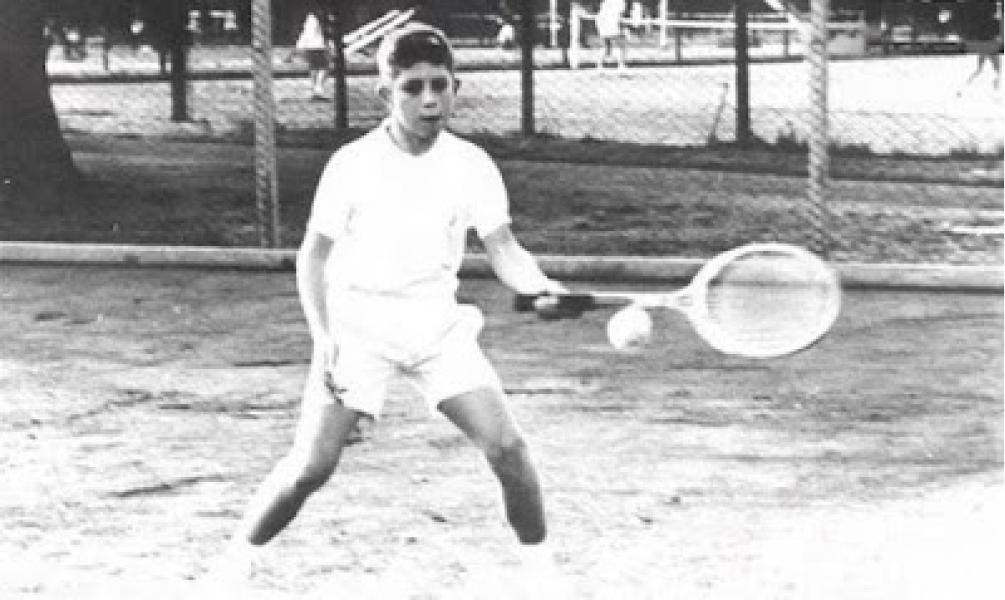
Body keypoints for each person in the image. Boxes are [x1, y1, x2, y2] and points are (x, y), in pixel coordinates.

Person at [206, 22, 570, 596]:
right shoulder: (353, 164)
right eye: (413, 87)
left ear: (455, 87)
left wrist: (538, 285)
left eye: (440, 85)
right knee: (310, 468)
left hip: (436, 326)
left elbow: (503, 247)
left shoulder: (472, 164)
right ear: (386, 94)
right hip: (357, 329)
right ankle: (234, 563)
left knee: (508, 448)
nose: (429, 99)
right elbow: (312, 259)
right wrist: (325, 340)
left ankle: (541, 573)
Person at [958, 16, 1002, 94]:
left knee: (981, 70)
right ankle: (996, 88)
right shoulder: (995, 23)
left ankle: (967, 84)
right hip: (991, 46)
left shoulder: (984, 22)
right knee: (996, 71)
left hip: (986, 46)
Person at [296, 10, 331, 100]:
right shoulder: (318, 18)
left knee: (314, 67)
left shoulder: (310, 18)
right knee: (324, 66)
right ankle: (318, 88)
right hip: (318, 45)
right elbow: (326, 32)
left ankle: (315, 88)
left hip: (308, 45)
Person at [596, 0, 627, 70]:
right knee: (618, 45)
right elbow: (620, 15)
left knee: (606, 46)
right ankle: (621, 65)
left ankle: (599, 65)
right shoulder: (620, 2)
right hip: (611, 22)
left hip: (603, 23)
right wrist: (622, 27)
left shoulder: (605, 2)